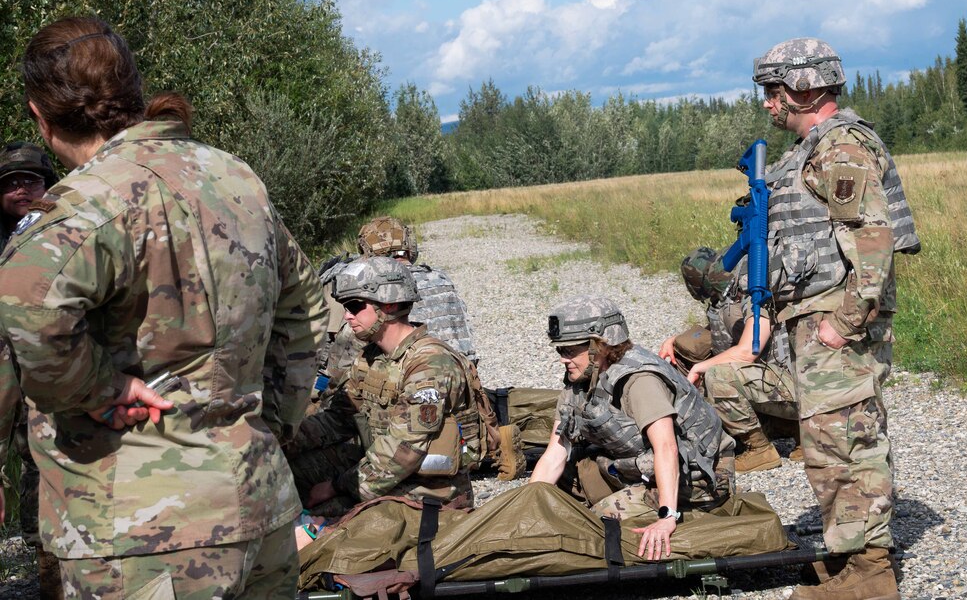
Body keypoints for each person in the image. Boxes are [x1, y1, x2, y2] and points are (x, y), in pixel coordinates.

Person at [0, 16, 326, 599]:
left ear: (39, 116)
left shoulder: (88, 203)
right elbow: (302, 307)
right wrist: (267, 425)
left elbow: (23, 311)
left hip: (140, 534)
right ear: (131, 92)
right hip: (260, 507)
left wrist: (100, 388)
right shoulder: (235, 179)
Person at [750, 38, 919, 600]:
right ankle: (852, 563)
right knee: (827, 445)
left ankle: (869, 579)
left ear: (806, 87)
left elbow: (873, 240)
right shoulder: (814, 150)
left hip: (835, 318)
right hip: (816, 315)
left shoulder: (840, 148)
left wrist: (844, 322)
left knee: (848, 442)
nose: (770, 105)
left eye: (775, 92)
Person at [314, 216, 527, 480]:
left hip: (425, 397)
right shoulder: (439, 278)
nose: (349, 314)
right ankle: (491, 438)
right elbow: (468, 346)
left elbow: (336, 372)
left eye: (353, 308)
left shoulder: (375, 291)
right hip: (466, 393)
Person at [529, 296, 735, 561]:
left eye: (569, 351)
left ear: (598, 346)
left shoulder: (639, 380)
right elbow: (555, 454)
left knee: (594, 525)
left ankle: (679, 509)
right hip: (638, 465)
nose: (562, 360)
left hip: (696, 477)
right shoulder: (580, 381)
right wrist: (528, 504)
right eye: (560, 351)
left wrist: (667, 517)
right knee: (557, 488)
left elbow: (667, 447)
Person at [291, 256, 482, 521]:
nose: (346, 316)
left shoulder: (430, 366)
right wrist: (284, 440)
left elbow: (404, 450)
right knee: (291, 474)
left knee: (317, 526)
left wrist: (336, 486)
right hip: (386, 473)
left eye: (355, 306)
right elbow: (338, 420)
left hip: (427, 494)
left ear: (389, 305)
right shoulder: (371, 357)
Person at [661, 247, 800, 473]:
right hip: (789, 383)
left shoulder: (756, 293)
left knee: (718, 376)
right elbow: (718, 331)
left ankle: (760, 451)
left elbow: (747, 351)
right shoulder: (730, 298)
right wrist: (675, 341)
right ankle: (797, 431)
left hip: (801, 389)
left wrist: (701, 368)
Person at [0, 141, 64, 598]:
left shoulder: (64, 228)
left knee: (50, 476)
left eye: (31, 179)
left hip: (54, 378)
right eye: (10, 183)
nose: (22, 189)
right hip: (6, 381)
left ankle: (55, 578)